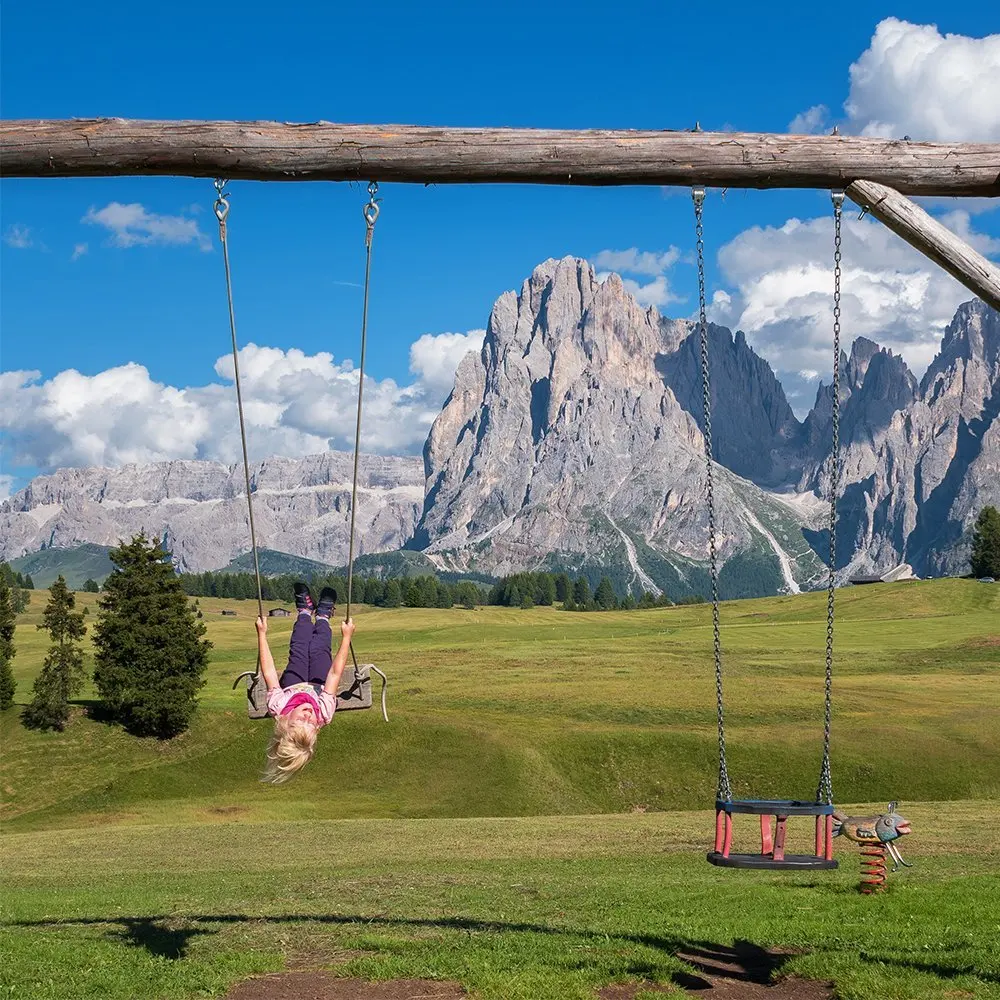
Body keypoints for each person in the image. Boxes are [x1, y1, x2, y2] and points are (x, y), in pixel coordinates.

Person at [256, 583, 355, 784]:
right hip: (320, 684)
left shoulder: (279, 706)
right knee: (319, 649)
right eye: (311, 724)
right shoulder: (323, 712)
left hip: (293, 683)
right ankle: (323, 616)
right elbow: (335, 674)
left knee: (299, 646)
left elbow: (268, 672)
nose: (308, 716)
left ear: (284, 722)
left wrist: (262, 634)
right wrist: (346, 638)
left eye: (300, 720)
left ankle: (304, 612)